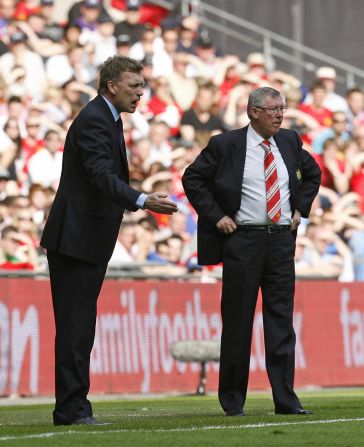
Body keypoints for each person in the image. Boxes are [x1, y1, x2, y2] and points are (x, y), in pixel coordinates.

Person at [40, 56, 177, 426]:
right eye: (134, 86)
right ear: (112, 85)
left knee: (80, 325)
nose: (141, 93)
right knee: (76, 326)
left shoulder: (106, 118)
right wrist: (142, 200)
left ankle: (73, 406)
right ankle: (71, 409)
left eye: (142, 86)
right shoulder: (95, 120)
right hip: (76, 238)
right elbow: (100, 174)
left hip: (85, 237)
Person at [182, 86, 321, 416]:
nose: (280, 114)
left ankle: (286, 400)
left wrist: (301, 208)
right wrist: (217, 217)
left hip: (281, 241)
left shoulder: (288, 140)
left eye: (282, 108)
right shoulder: (226, 144)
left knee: (281, 324)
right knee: (238, 323)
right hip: (243, 241)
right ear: (254, 112)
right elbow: (193, 179)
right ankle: (232, 402)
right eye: (273, 109)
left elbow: (313, 173)